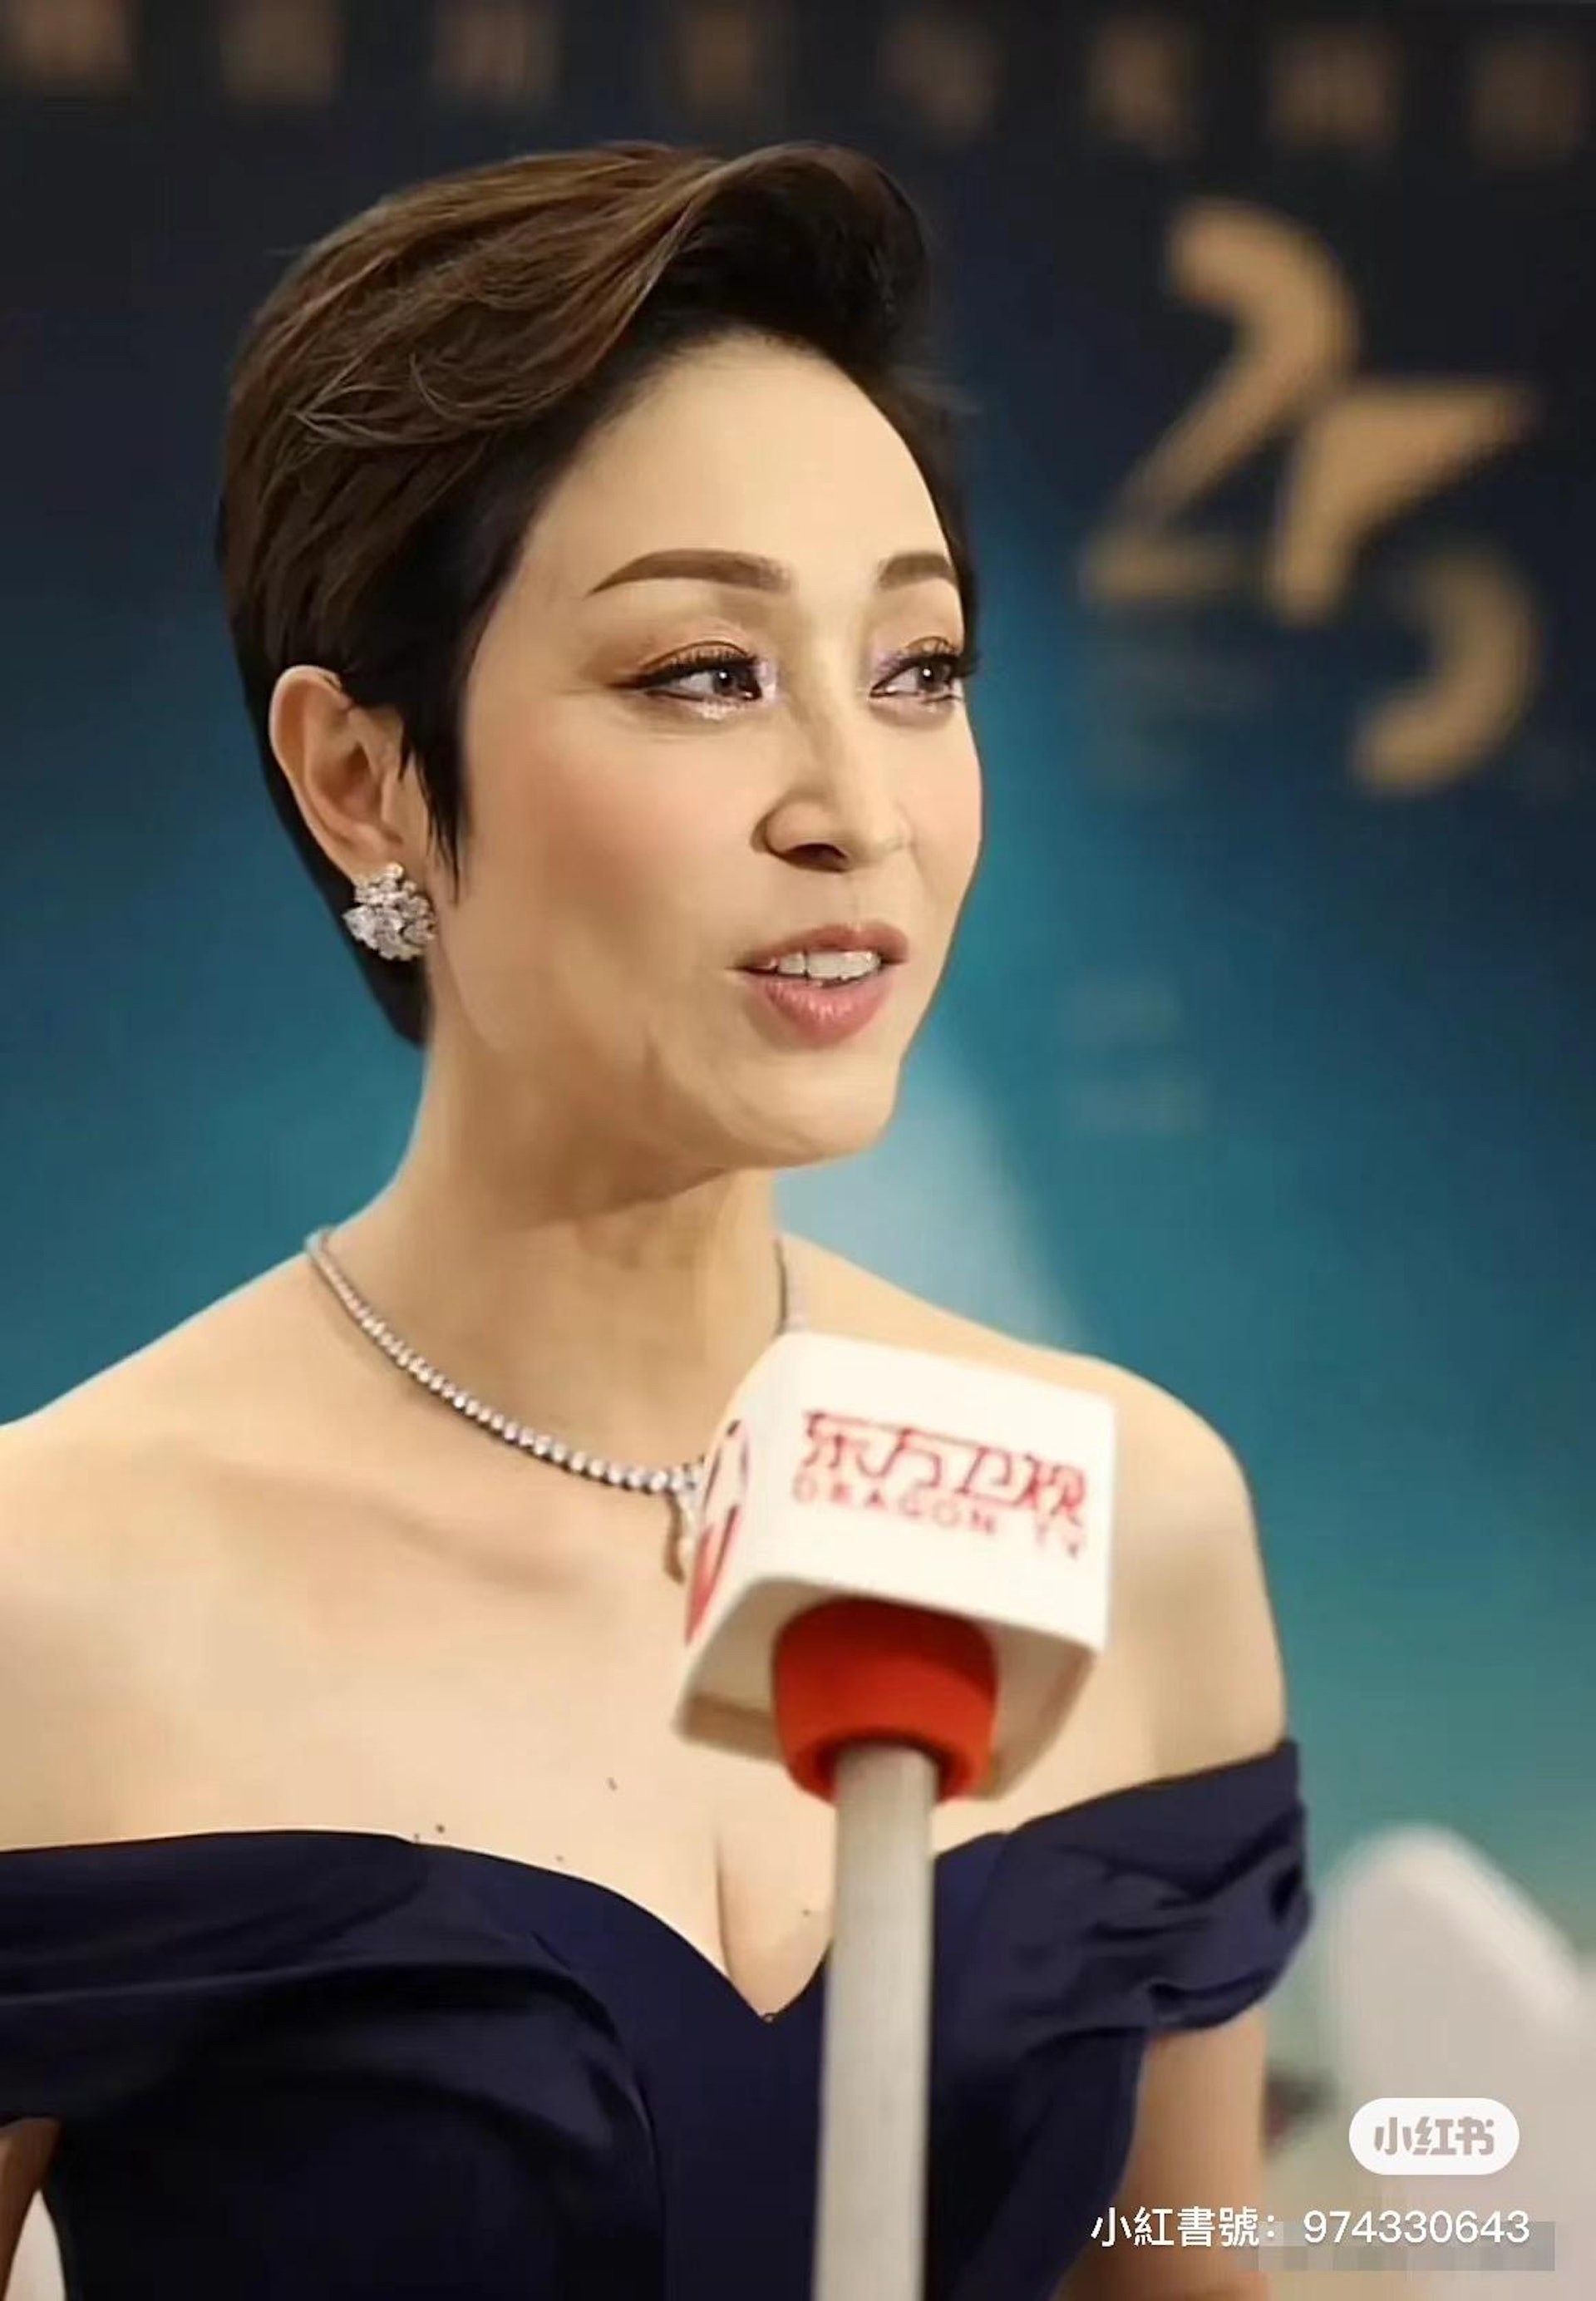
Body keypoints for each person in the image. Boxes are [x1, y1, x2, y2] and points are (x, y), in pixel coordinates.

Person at [0, 140, 1310, 2300]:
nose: (857, 811)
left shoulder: (1131, 1517)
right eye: (706, 671)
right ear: (360, 779)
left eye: (918, 669)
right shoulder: (53, 1596)